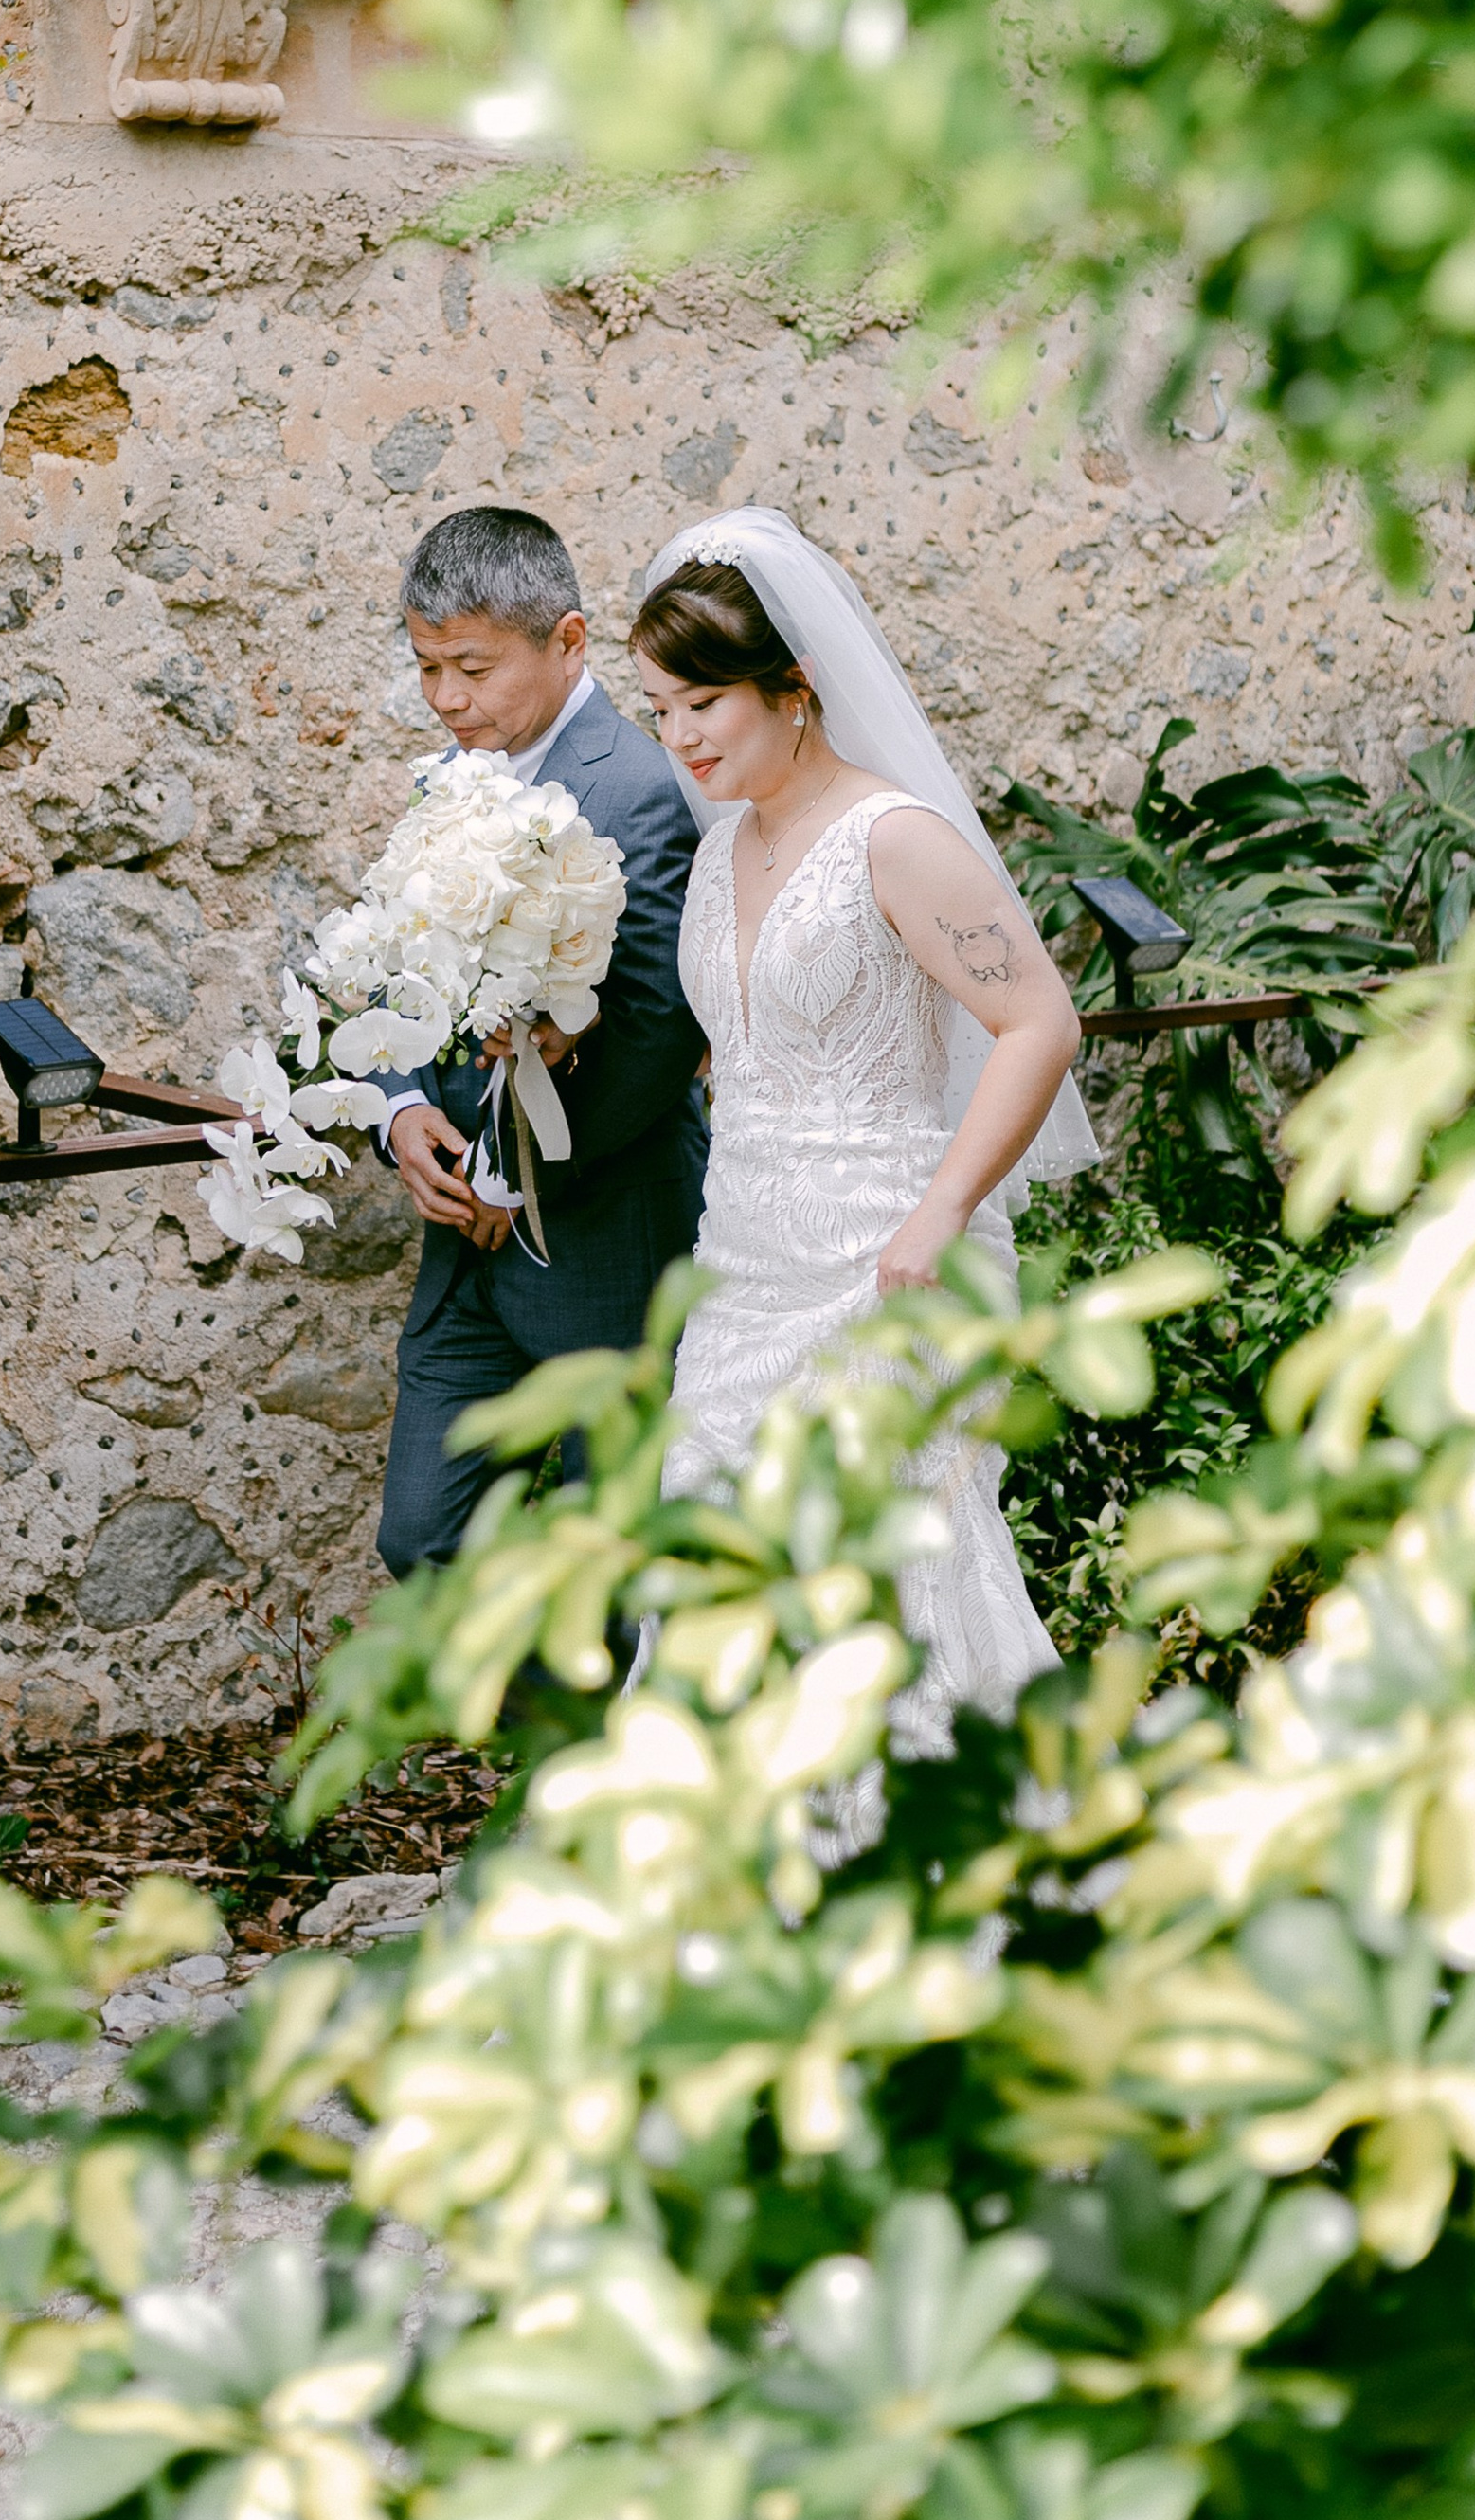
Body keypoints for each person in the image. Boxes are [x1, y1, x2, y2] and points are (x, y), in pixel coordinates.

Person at [628, 504, 1098, 1744]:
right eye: (659, 711)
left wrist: (941, 1211)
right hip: (742, 1268)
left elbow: (1040, 1023)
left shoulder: (895, 840)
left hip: (886, 1261)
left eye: (702, 706)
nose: (679, 739)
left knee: (882, 1576)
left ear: (792, 689)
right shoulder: (725, 849)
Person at [372, 505, 708, 1575]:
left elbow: (657, 1033)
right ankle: (539, 1724)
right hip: (458, 1245)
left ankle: (608, 1743)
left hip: (605, 1234)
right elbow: (390, 968)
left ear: (566, 641)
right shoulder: (446, 779)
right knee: (420, 1540)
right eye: (427, 669)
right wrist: (402, 1107)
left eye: (470, 667)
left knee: (616, 1560)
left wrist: (509, 1173)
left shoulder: (644, 789)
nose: (446, 700)